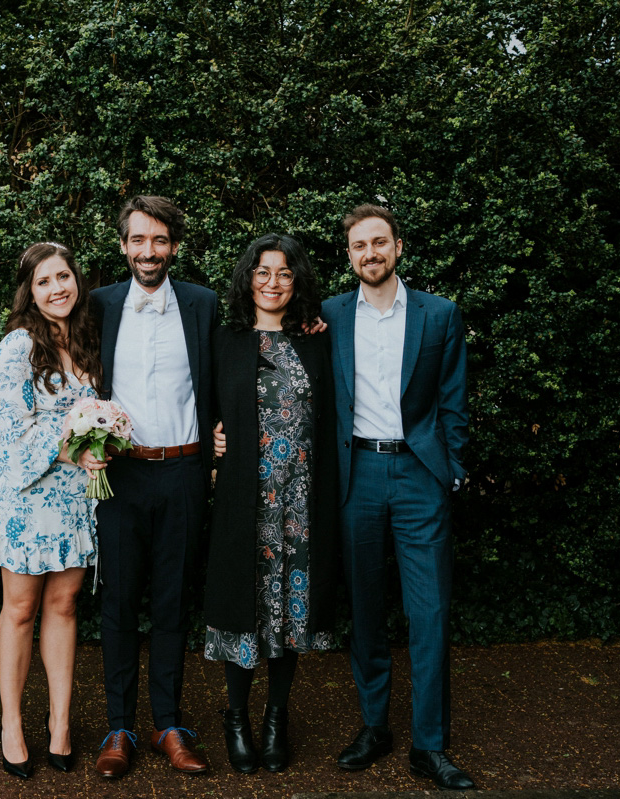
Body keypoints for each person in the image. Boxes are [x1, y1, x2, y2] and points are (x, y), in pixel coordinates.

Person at [320, 204, 474, 789]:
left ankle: (429, 746)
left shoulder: (438, 315)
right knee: (364, 609)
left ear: (399, 247)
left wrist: (450, 468)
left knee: (429, 613)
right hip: (356, 473)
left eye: (379, 243)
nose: (370, 254)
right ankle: (375, 727)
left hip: (419, 476)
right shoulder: (330, 315)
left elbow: (454, 399)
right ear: (350, 255)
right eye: (359, 246)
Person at [89, 195, 217, 778]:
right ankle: (120, 726)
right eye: (138, 240)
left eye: (160, 240)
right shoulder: (97, 305)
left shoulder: (203, 304)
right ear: (122, 244)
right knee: (117, 600)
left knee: (171, 600)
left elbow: (246, 355)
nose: (149, 251)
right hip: (118, 474)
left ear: (174, 246)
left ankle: (169, 724)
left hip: (186, 471)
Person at [0, 242, 105, 779]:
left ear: (76, 281)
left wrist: (102, 440)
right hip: (26, 497)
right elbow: (11, 436)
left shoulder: (89, 341)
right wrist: (76, 440)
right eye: (45, 281)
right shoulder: (16, 347)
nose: (57, 289)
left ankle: (61, 724)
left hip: (74, 497)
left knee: (66, 605)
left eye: (64, 277)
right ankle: (11, 725)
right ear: (30, 290)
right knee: (20, 610)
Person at [204, 234, 338, 775]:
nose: (273, 283)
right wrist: (214, 436)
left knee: (290, 611)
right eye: (263, 272)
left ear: (297, 281)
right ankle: (236, 718)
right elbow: (206, 407)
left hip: (302, 502)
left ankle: (277, 717)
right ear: (247, 278)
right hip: (244, 500)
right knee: (245, 606)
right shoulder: (225, 340)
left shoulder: (316, 340)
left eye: (284, 273)